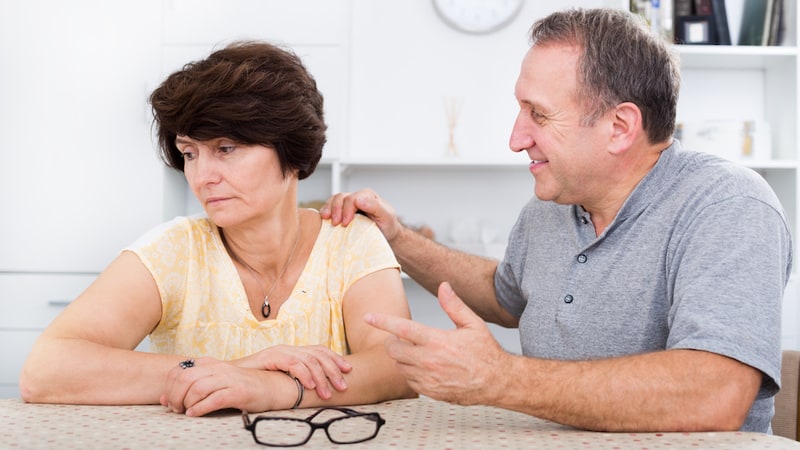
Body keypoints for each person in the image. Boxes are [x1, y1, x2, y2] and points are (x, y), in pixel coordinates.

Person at [321, 8, 792, 433]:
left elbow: (714, 395)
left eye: (538, 114)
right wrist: (397, 238)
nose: (515, 137)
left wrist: (499, 378)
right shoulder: (550, 207)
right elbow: (508, 295)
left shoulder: (728, 206)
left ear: (620, 128)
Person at [20, 41, 415, 416]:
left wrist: (270, 389)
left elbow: (398, 367)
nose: (202, 176)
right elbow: (45, 370)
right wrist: (235, 368)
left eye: (226, 149)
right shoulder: (174, 250)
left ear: (292, 151)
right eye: (190, 153)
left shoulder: (351, 241)